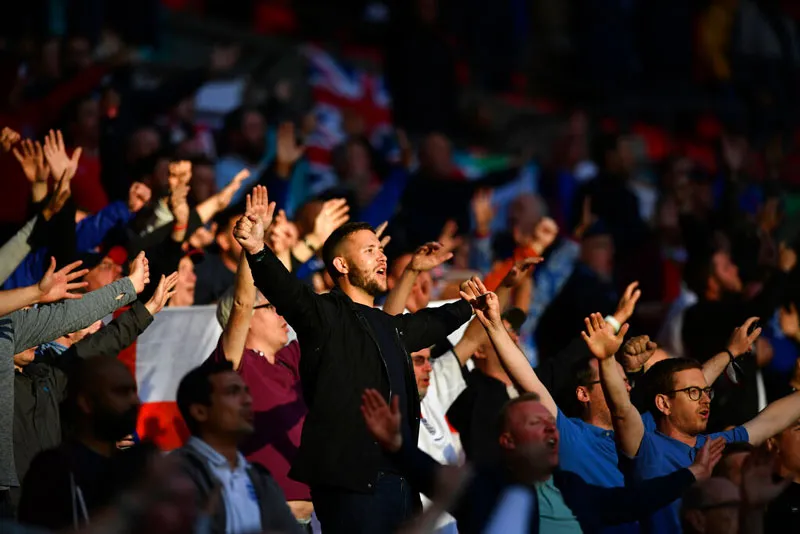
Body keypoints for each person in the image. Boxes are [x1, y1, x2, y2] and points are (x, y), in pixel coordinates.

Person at [232, 185, 474, 533]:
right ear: (341, 264)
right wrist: (257, 247)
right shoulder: (324, 313)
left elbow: (433, 322)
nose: (381, 257)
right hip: (352, 486)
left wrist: (472, 304)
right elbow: (287, 290)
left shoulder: (391, 327)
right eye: (369, 250)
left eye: (381, 250)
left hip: (403, 484)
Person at [361, 388, 722, 534]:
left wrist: (693, 473)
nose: (551, 430)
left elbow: (632, 501)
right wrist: (397, 446)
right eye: (537, 424)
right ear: (508, 441)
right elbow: (432, 475)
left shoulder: (573, 488)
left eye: (551, 424)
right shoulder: (485, 486)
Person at [597, 324, 800, 534]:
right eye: (695, 392)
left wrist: (730, 353)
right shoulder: (646, 445)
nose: (705, 400)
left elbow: (770, 421)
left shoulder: (716, 444)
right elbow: (621, 409)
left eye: (707, 393)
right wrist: (606, 359)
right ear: (663, 404)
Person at [0, 252, 150, 515]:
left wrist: (144, 310)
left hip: (52, 502)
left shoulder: (46, 376)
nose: (33, 334)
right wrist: (35, 293)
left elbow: (94, 347)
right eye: (22, 326)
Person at [210, 223, 311, 526]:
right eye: (271, 307)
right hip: (266, 520)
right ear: (247, 321)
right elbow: (242, 303)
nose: (283, 313)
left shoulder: (290, 358)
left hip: (316, 520)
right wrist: (251, 246)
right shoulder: (233, 365)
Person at [173, 361, 302, 534]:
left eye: (246, 391)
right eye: (233, 392)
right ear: (200, 412)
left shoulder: (259, 478)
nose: (247, 400)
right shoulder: (174, 474)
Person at [17, 356, 143, 529]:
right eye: (121, 392)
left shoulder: (137, 466)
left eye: (133, 391)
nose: (134, 401)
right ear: (86, 402)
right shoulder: (55, 469)